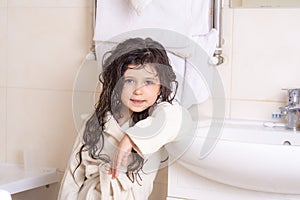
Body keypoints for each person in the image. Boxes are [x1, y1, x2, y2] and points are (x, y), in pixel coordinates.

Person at [58, 37, 192, 200]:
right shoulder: (97, 123)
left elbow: (179, 117)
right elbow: (73, 178)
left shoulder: (158, 118)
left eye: (148, 82)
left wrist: (130, 140)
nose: (138, 90)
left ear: (160, 87)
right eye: (129, 80)